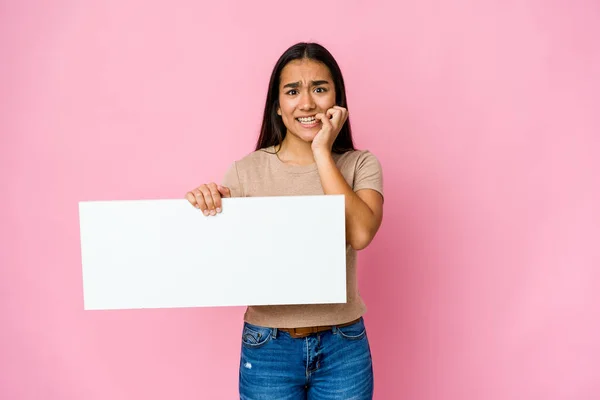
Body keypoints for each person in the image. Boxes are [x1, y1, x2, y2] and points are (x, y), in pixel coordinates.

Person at [185, 42, 384, 400]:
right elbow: (222, 259)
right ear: (277, 106)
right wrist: (208, 207)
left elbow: (360, 233)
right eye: (293, 91)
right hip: (268, 346)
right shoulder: (246, 171)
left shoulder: (360, 164)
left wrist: (322, 150)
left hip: (343, 343)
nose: (307, 103)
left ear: (337, 100)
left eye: (319, 89)